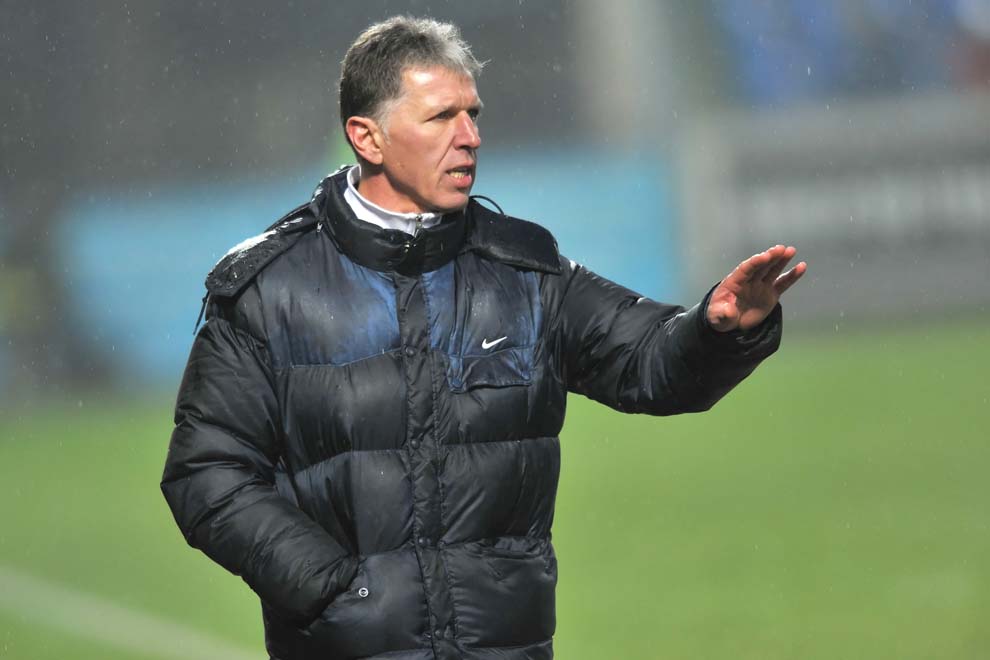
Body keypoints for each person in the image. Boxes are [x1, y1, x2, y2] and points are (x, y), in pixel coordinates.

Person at [161, 15, 806, 660]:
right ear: (367, 137)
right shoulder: (269, 290)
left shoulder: (526, 273)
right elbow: (206, 472)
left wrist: (717, 330)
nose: (469, 137)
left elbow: (650, 362)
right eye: (441, 117)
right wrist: (335, 591)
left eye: (472, 114)